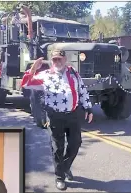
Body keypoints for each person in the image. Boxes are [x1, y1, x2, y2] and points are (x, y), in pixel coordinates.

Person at [21, 49, 93, 190]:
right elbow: (26, 84)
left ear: (65, 59)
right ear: (51, 61)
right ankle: (60, 177)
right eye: (54, 59)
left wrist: (88, 108)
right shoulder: (45, 75)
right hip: (55, 116)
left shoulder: (73, 73)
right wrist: (33, 69)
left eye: (60, 59)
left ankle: (65, 167)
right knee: (57, 148)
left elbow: (82, 90)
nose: (57, 61)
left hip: (72, 115)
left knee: (75, 144)